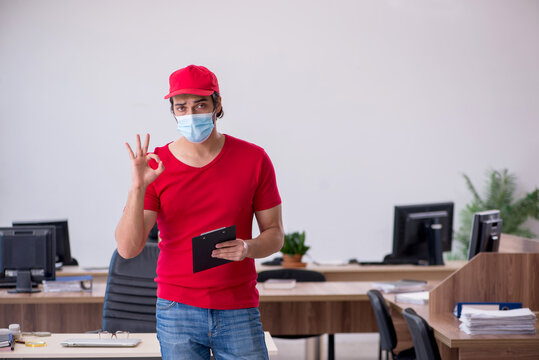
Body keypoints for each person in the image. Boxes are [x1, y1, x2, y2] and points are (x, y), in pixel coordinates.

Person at [115, 65, 284, 360]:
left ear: (217, 105)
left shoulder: (254, 159)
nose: (191, 114)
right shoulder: (155, 165)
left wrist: (248, 247)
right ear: (173, 111)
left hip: (238, 307)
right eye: (182, 107)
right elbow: (128, 250)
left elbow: (275, 234)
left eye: (200, 105)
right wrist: (137, 187)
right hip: (176, 310)